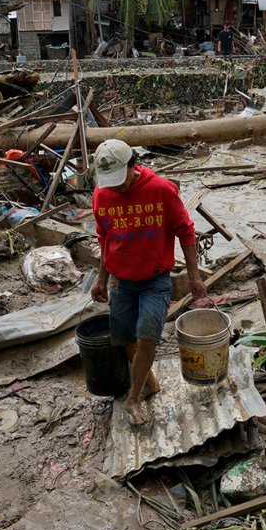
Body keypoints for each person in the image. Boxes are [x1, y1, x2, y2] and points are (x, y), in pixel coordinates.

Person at [90, 140, 207, 425]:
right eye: (109, 182)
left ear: (133, 165)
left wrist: (194, 275)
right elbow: (105, 239)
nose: (115, 187)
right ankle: (150, 383)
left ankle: (133, 396)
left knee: (148, 334)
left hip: (155, 278)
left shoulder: (161, 190)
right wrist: (101, 279)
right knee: (125, 337)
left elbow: (185, 231)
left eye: (119, 179)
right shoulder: (100, 196)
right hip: (120, 280)